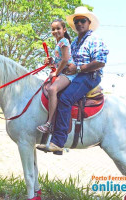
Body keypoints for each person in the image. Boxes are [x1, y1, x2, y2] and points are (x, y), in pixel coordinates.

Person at [37, 6, 109, 152]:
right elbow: (68, 62)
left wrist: (77, 68)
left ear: (89, 22)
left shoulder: (94, 39)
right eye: (76, 22)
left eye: (83, 20)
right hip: (76, 75)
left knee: (65, 98)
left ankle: (58, 142)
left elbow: (100, 62)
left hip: (90, 76)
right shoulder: (75, 42)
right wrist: (54, 64)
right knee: (53, 91)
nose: (79, 24)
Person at [37, 19, 76, 133]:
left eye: (58, 28)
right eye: (53, 29)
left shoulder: (64, 41)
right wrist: (51, 62)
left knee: (52, 89)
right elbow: (59, 61)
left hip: (68, 74)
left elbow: (65, 60)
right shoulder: (59, 43)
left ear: (64, 29)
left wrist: (56, 72)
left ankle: (49, 123)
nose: (55, 31)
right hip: (62, 71)